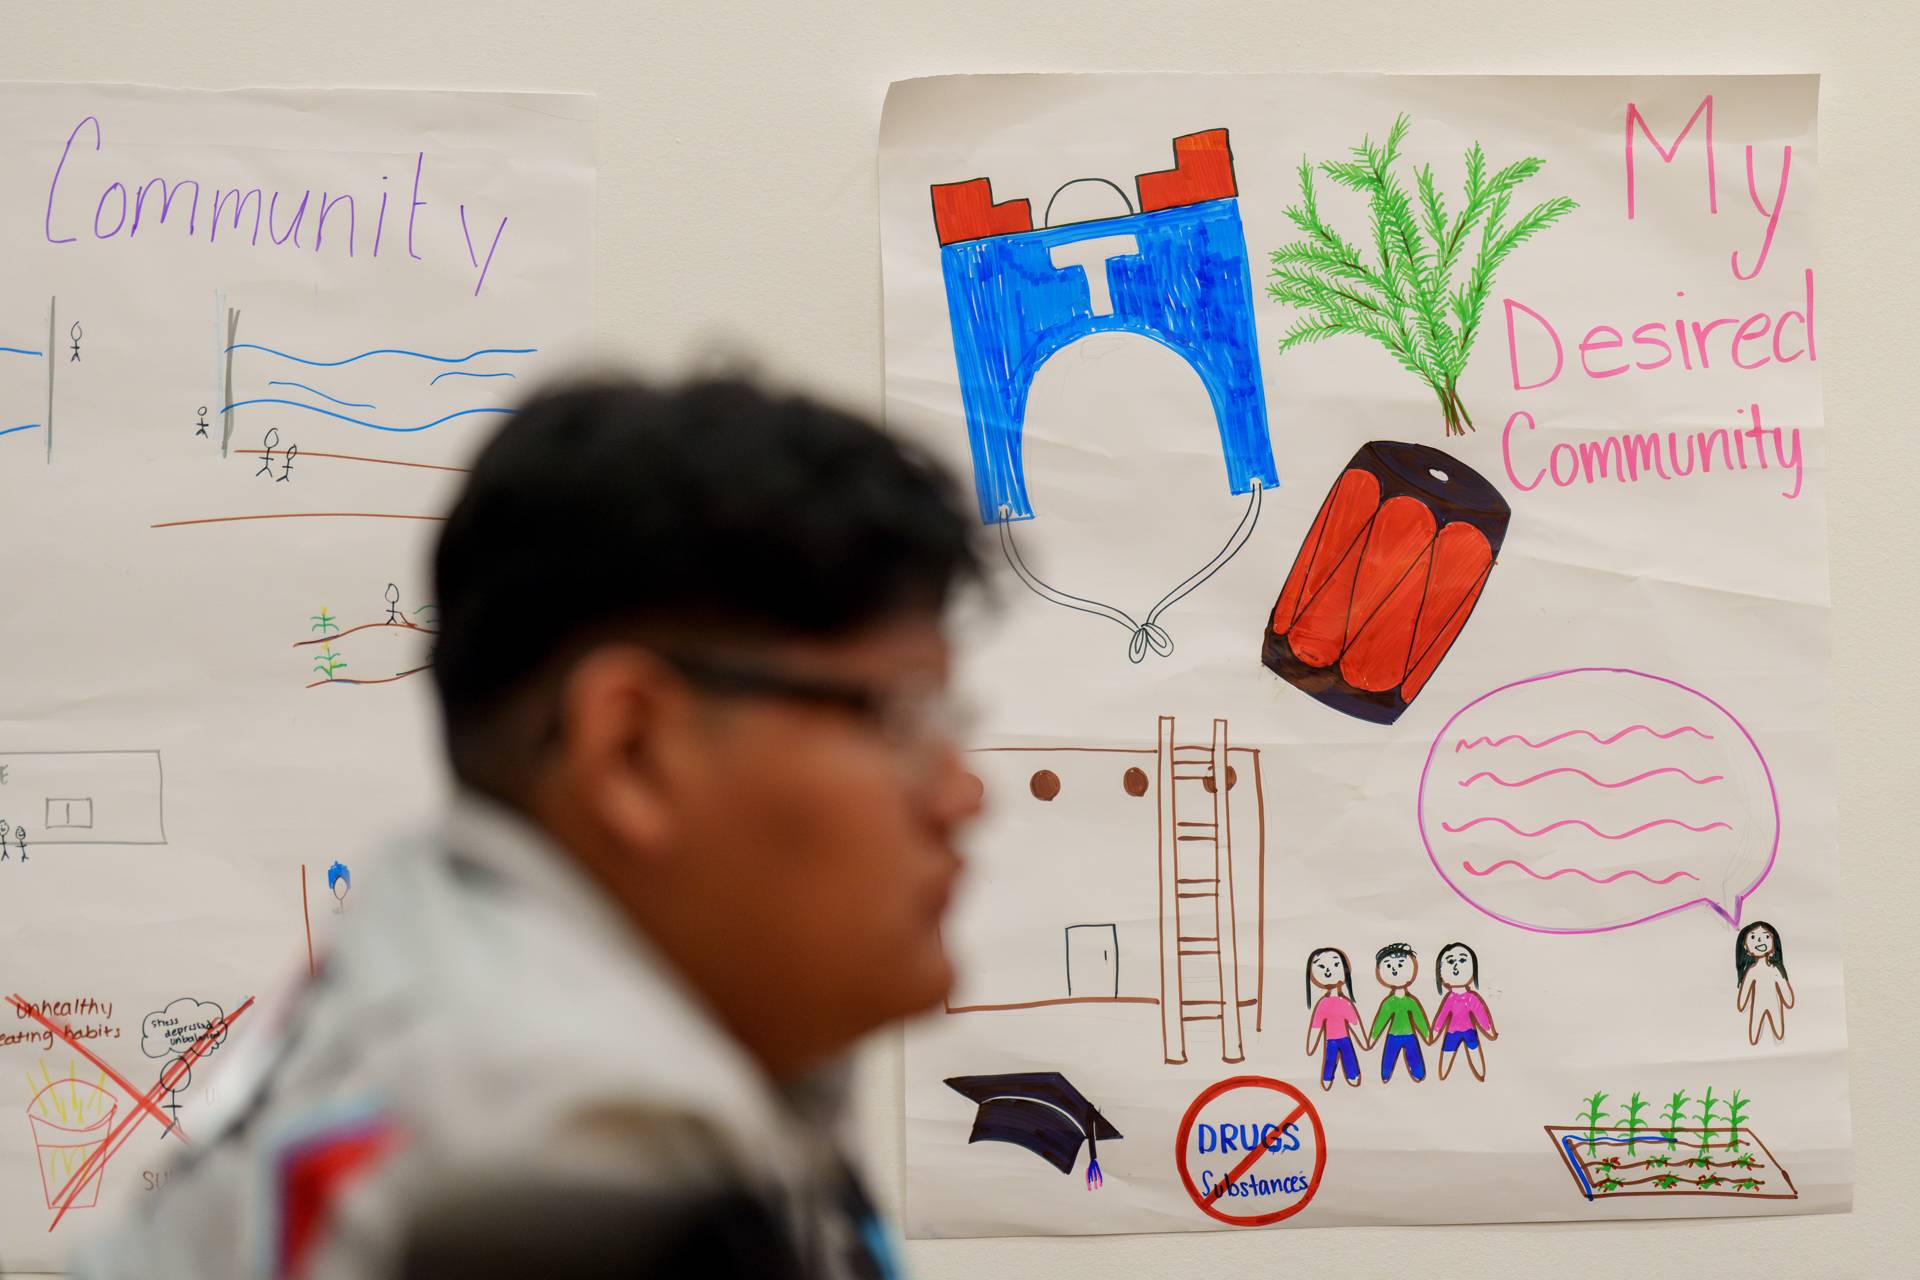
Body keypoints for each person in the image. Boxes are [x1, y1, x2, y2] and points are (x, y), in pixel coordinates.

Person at [78, 377, 984, 1280]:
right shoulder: (578, 1159)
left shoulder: (435, 944)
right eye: (900, 717)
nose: (963, 794)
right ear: (631, 750)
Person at [1428, 941, 1497, 1081]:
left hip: (1469, 1032)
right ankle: (1444, 1075)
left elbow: (1481, 1015)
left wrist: (1489, 1030)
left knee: (1475, 1053)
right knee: (1447, 1057)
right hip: (1452, 1033)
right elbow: (1441, 1017)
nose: (1456, 965)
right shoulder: (1450, 999)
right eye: (1451, 961)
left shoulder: (1471, 998)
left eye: (1462, 960)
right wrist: (1434, 1033)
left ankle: (1480, 1074)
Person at [1302, 947, 1367, 1091]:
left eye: (1336, 965)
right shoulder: (1323, 1004)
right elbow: (1316, 1026)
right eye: (1321, 967)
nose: (1328, 971)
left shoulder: (1345, 1003)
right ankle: (1327, 1077)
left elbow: (1354, 1022)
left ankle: (1352, 1075)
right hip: (1331, 1040)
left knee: (1348, 1057)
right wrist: (1311, 1045)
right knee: (1330, 1060)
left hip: (1344, 1038)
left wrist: (1364, 1042)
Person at [1367, 942, 1430, 1084]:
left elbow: (1419, 1018)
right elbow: (1380, 1021)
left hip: (1409, 1035)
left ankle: (1418, 1075)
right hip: (1393, 1035)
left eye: (1400, 965)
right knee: (1388, 1060)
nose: (1395, 970)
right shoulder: (1389, 1003)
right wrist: (1373, 1038)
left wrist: (1426, 1034)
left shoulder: (1411, 1002)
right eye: (1388, 966)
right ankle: (1385, 1076)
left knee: (1415, 1061)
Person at [1736, 920, 1793, 1044]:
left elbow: (1787, 996)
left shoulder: (1775, 969)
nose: (1760, 941)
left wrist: (1788, 997)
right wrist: (1742, 1002)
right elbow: (1743, 997)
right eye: (1753, 937)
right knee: (1756, 1029)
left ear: (1773, 942)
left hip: (1773, 1003)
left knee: (1778, 1031)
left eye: (1766, 936)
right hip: (1758, 1005)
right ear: (1745, 947)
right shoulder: (1752, 971)